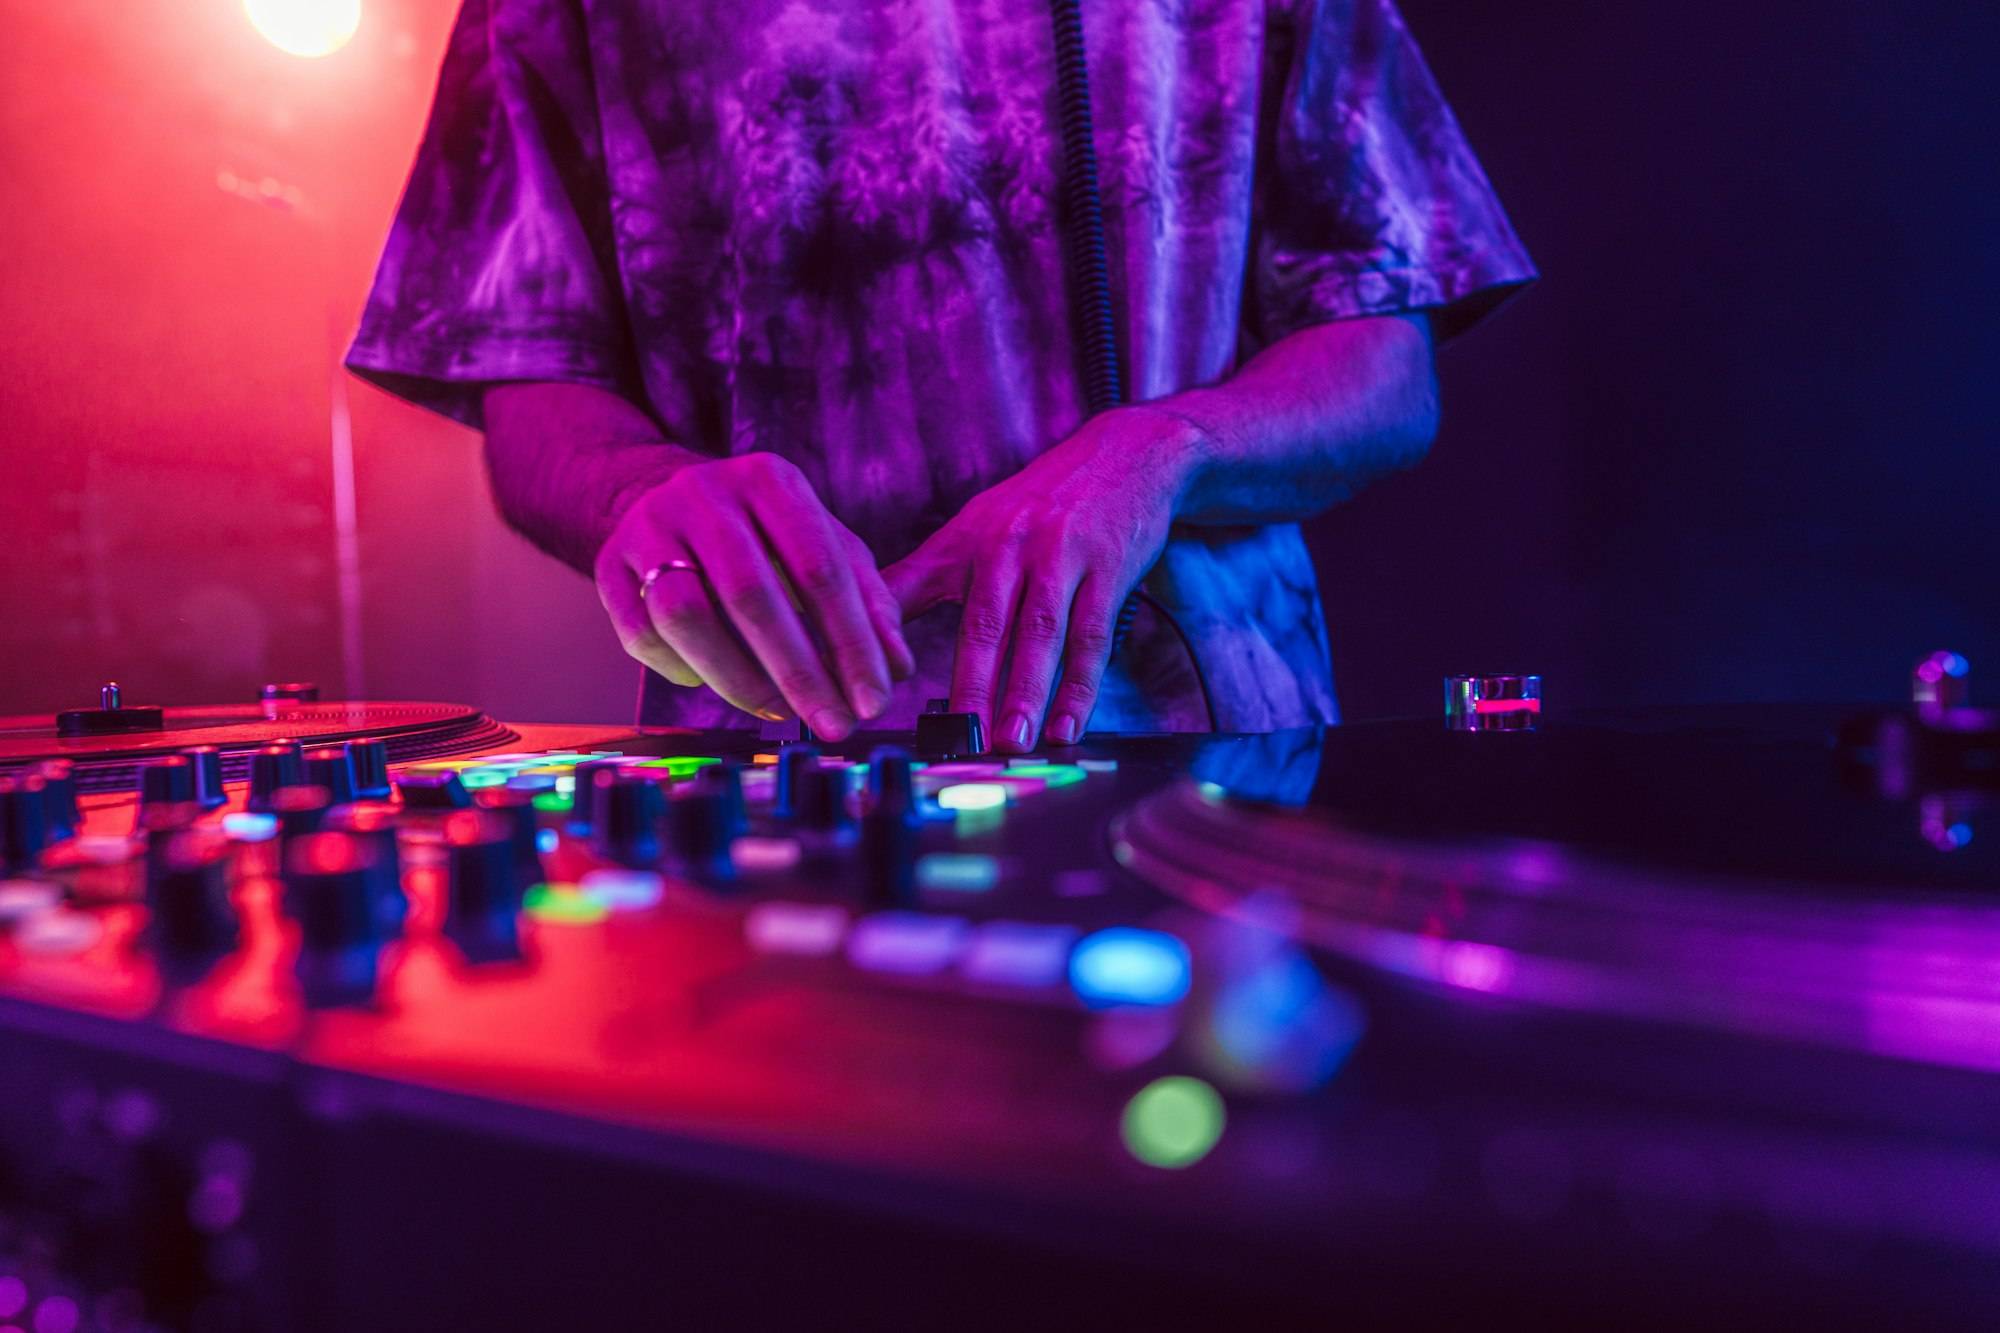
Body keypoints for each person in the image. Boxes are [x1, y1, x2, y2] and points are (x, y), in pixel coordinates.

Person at [347, 0, 1534, 751]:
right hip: (767, 768)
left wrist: (1168, 450)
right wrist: (638, 497)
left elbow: (1384, 362)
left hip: (1215, 765)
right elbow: (529, 376)